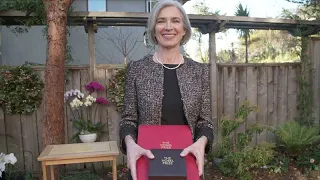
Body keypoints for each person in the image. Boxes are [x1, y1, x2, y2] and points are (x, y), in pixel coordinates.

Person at [119, 0, 214, 179]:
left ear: (184, 29)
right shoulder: (137, 70)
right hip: (146, 164)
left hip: (187, 165)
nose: (168, 27)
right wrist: (130, 143)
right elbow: (128, 120)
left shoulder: (199, 71)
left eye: (175, 21)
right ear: (154, 29)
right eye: (161, 21)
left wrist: (202, 142)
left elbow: (205, 122)